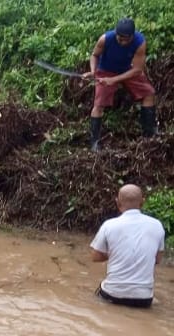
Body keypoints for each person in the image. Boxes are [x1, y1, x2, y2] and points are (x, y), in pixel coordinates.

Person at [82, 18, 158, 151]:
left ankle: (149, 134)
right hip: (106, 71)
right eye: (119, 38)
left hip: (128, 71)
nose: (122, 41)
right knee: (99, 105)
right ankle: (94, 143)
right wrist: (94, 72)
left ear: (132, 36)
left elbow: (137, 70)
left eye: (126, 39)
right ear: (116, 33)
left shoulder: (140, 42)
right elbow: (94, 56)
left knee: (149, 94)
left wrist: (114, 80)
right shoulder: (105, 39)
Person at [90, 184, 165, 308]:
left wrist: (116, 253)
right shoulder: (157, 225)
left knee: (94, 300)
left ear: (117, 203)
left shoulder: (109, 225)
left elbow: (95, 257)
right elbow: (157, 260)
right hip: (144, 299)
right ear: (143, 202)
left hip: (112, 294)